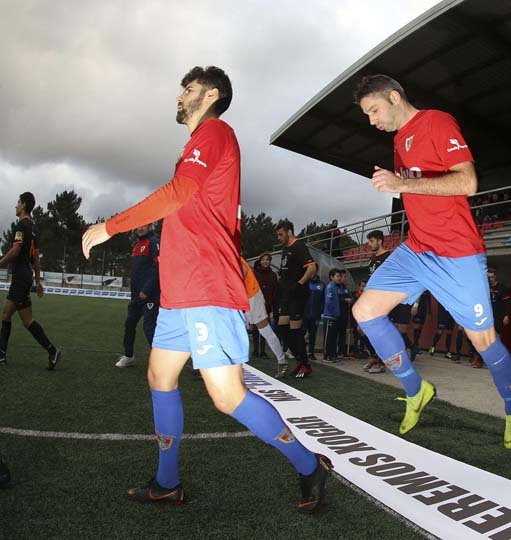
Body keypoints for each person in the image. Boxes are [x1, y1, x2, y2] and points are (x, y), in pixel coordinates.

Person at [80, 66, 331, 512]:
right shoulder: (197, 144)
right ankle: (167, 482)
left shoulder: (215, 131)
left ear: (211, 94)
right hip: (181, 292)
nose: (180, 95)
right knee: (160, 376)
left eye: (189, 89)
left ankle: (310, 466)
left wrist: (110, 226)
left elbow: (178, 194)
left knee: (227, 395)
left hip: (206, 286)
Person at [352, 74, 511, 447]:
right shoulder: (398, 141)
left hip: (457, 253)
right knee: (365, 311)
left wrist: (403, 185)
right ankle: (417, 389)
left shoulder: (437, 122)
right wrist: (403, 186)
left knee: (484, 340)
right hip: (417, 249)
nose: (372, 121)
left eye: (374, 110)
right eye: (367, 114)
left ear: (395, 97)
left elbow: (467, 183)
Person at [0, 192, 62, 369]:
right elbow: (36, 258)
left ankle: (52, 351)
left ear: (24, 205)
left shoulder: (21, 226)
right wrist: (37, 281)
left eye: (18, 202)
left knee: (27, 320)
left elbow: (15, 251)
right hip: (24, 276)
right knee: (6, 313)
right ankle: (2, 354)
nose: (16, 205)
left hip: (20, 277)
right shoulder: (32, 228)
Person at [275, 219, 318, 379]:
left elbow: (312, 267)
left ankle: (305, 365)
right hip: (286, 295)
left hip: (297, 295)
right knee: (282, 328)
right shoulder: (285, 249)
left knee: (295, 331)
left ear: (289, 232)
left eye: (281, 234)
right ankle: (300, 360)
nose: (279, 238)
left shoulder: (299, 245)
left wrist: (299, 284)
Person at [116, 223, 161, 368]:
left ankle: (160, 362)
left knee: (149, 329)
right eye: (137, 226)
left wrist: (146, 290)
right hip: (136, 297)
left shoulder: (155, 242)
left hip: (150, 296)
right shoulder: (137, 245)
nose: (139, 228)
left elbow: (158, 268)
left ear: (151, 226)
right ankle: (128, 356)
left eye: (143, 226)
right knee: (129, 324)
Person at [240, 258, 286, 375]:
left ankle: (282, 361)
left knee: (264, 330)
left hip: (252, 296)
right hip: (244, 296)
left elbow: (243, 272)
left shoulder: (231, 255)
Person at [363, 230, 391, 373]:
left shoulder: (388, 257)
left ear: (380, 241)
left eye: (372, 241)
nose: (369, 244)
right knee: (361, 329)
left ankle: (381, 364)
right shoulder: (372, 258)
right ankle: (375, 356)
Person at [252, 253, 279, 357]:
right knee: (255, 328)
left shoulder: (273, 275)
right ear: (260, 261)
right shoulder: (254, 273)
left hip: (267, 305)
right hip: (256, 304)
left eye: (267, 260)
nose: (265, 261)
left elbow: (275, 292)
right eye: (263, 259)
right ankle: (255, 351)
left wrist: (272, 307)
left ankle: (263, 351)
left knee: (265, 328)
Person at [322, 269, 344, 363]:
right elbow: (328, 303)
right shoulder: (330, 287)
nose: (339, 278)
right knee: (328, 337)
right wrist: (334, 313)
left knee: (333, 337)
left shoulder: (335, 287)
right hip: (329, 316)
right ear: (331, 277)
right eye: (337, 276)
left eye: (340, 276)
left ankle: (332, 354)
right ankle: (326, 356)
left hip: (335, 317)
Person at [304, 273, 325, 364]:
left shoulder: (322, 285)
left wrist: (322, 312)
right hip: (304, 314)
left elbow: (324, 300)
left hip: (315, 315)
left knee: (313, 335)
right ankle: (301, 352)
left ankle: (311, 352)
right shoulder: (305, 283)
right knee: (301, 334)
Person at [409, 290, 432, 360]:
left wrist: (429, 309)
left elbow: (429, 297)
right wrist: (415, 305)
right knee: (417, 326)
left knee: (420, 327)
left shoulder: (427, 286)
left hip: (424, 306)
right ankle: (415, 345)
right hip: (418, 305)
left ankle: (416, 344)